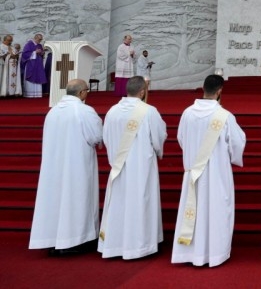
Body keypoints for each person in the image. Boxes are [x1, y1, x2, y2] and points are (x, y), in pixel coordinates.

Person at [172, 74, 246, 268]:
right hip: (216, 174)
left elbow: (181, 139)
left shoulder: (187, 113)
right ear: (220, 91)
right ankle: (214, 254)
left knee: (194, 212)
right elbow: (237, 144)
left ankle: (191, 253)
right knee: (215, 211)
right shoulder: (225, 116)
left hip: (193, 172)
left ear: (203, 89)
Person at [29, 79, 103, 255]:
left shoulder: (53, 112)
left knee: (55, 199)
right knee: (77, 198)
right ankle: (76, 240)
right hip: (77, 165)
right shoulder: (84, 111)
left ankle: (54, 239)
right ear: (81, 93)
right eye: (87, 91)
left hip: (53, 166)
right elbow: (96, 136)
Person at [98, 76, 167, 260]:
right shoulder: (149, 111)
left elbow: (105, 137)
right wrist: (158, 151)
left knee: (120, 203)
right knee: (140, 202)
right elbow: (158, 137)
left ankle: (116, 244)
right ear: (142, 92)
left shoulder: (112, 111)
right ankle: (139, 246)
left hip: (118, 166)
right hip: (141, 167)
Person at [20, 33, 47, 98]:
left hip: (38, 65)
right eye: (39, 39)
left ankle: (37, 94)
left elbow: (41, 54)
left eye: (41, 39)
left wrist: (42, 53)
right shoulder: (28, 44)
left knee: (38, 76)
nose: (40, 41)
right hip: (31, 64)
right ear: (35, 38)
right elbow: (24, 54)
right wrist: (35, 52)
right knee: (31, 77)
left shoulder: (40, 45)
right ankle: (29, 94)